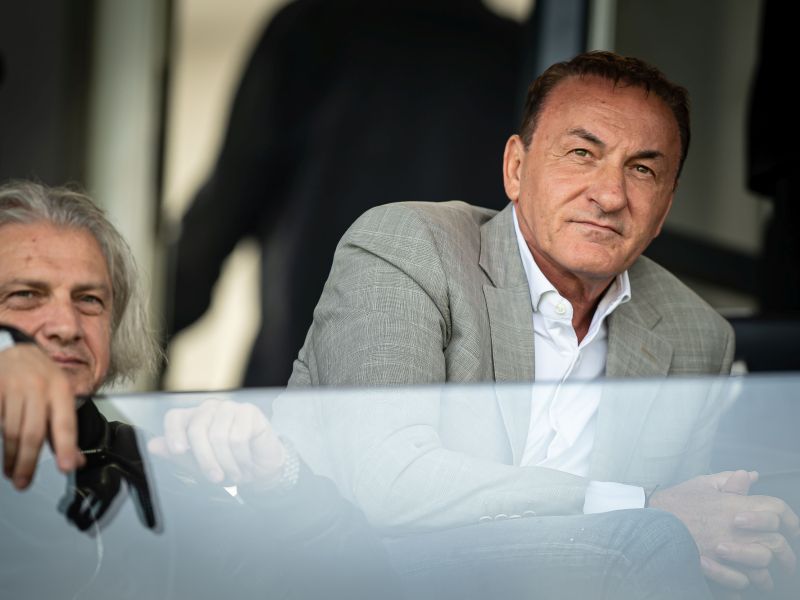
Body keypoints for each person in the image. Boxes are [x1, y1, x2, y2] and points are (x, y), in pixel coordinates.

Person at [285, 51, 799, 595]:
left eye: (642, 170)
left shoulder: (695, 334)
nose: (610, 196)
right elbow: (387, 482)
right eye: (582, 153)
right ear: (516, 168)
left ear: (664, 209)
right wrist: (635, 506)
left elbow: (688, 532)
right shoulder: (410, 247)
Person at [167, 0, 522, 387]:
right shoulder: (515, 52)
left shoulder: (313, 30)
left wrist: (139, 340)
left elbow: (220, 218)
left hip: (305, 381)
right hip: (454, 393)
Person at [0, 180, 157, 490]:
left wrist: (259, 472)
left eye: (88, 299)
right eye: (26, 295)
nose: (68, 327)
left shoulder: (151, 468)